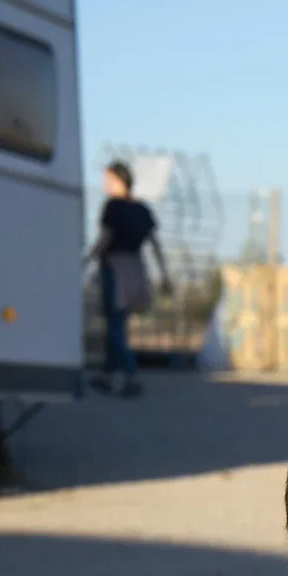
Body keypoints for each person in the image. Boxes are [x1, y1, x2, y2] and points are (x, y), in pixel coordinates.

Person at [85, 161, 169, 398]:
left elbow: (104, 238)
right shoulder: (143, 210)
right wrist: (165, 275)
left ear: (118, 180)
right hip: (135, 269)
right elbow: (155, 245)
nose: (104, 184)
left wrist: (87, 259)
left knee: (114, 325)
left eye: (107, 179)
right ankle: (106, 375)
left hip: (114, 267)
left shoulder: (112, 207)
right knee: (119, 323)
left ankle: (132, 375)